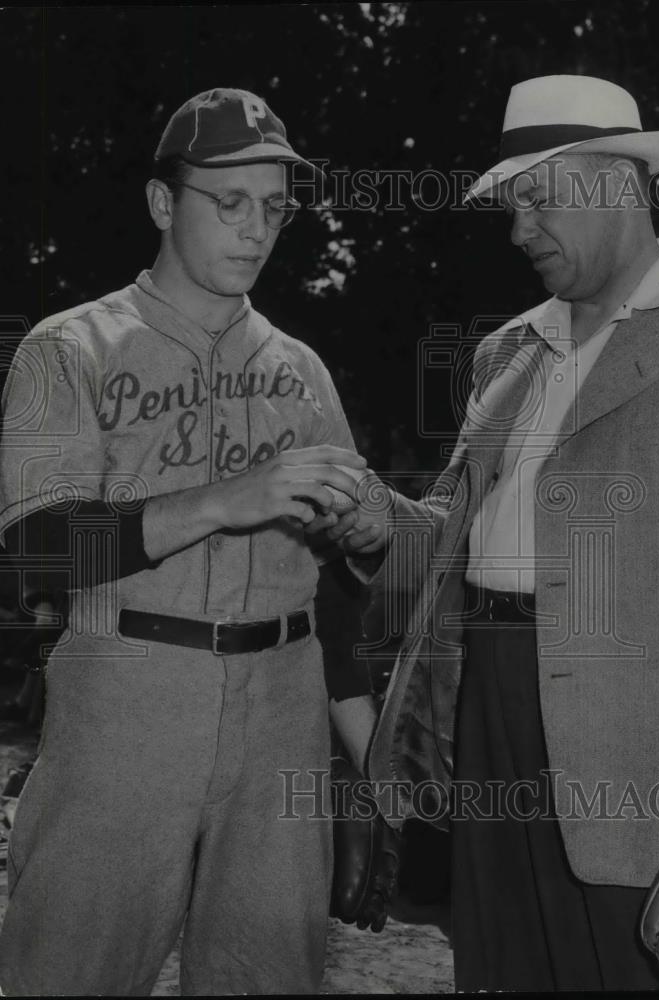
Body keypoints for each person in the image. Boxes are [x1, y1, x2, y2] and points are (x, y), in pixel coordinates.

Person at [331, 75, 659, 990]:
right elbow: (451, 546)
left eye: (537, 196)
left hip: (651, 775)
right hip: (487, 730)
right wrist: (372, 517)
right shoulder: (507, 351)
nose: (519, 226)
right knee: (501, 971)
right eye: (511, 204)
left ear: (616, 181)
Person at [0, 87, 380, 996]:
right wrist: (219, 501)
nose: (256, 230)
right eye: (229, 202)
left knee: (270, 978)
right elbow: (37, 556)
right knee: (68, 973)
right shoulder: (70, 348)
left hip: (283, 714)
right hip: (125, 700)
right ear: (163, 203)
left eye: (275, 209)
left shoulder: (302, 369)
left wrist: (370, 749)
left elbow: (336, 594)